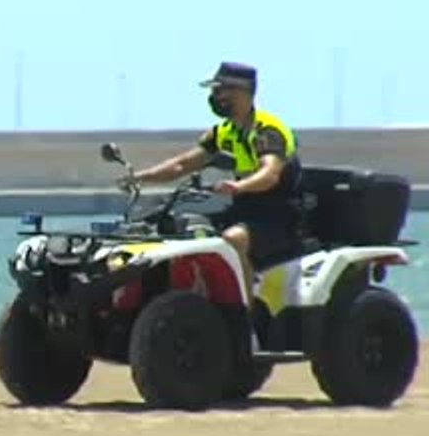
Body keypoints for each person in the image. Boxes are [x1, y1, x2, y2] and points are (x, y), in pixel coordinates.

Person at [127, 61, 302, 307]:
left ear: (242, 92)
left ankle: (244, 314)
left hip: (277, 216)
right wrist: (140, 177)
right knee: (188, 230)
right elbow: (183, 164)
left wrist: (239, 187)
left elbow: (270, 173)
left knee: (233, 239)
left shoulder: (267, 130)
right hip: (243, 209)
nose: (215, 96)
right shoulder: (223, 132)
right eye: (214, 91)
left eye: (221, 90)